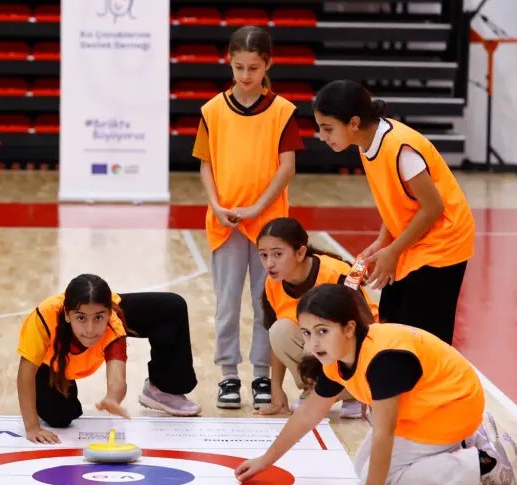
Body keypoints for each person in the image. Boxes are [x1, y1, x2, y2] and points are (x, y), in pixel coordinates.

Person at [235, 284, 517, 485]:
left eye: (322, 331)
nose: (313, 343)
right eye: (308, 333)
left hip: (451, 407)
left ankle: (488, 463)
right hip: (432, 405)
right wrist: (266, 459)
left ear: (348, 328)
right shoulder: (337, 357)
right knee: (363, 469)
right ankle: (473, 436)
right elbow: (308, 414)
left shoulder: (382, 360)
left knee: (384, 483)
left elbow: (384, 432)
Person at [192, 25, 305, 410]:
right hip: (224, 223)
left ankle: (261, 374)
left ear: (267, 65)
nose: (245, 76)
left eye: (253, 68)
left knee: (265, 304)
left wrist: (258, 208)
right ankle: (227, 375)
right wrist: (217, 205)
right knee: (226, 304)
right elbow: (205, 165)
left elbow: (286, 167)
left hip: (269, 226)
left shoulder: (283, 111)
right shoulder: (212, 110)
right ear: (229, 61)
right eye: (238, 67)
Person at [312, 80, 475, 346]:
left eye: (327, 128)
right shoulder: (366, 143)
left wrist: (393, 250)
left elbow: (433, 207)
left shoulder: (401, 148)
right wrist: (382, 241)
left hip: (443, 242)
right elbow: (400, 201)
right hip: (413, 239)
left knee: (424, 338)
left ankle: (433, 385)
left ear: (353, 123)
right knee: (391, 322)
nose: (322, 136)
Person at [16, 274, 201, 444]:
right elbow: (26, 373)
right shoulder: (43, 318)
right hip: (49, 366)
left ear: (109, 313)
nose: (90, 329)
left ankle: (163, 390)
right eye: (81, 318)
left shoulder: (113, 325)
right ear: (67, 314)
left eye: (98, 318)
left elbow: (118, 378)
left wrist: (112, 399)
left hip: (103, 311)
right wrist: (32, 427)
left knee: (171, 307)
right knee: (61, 417)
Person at [256, 217, 378, 417]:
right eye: (263, 255)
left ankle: (353, 393)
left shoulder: (337, 274)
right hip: (319, 351)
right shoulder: (272, 284)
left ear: (300, 252)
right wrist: (276, 389)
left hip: (356, 352)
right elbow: (275, 342)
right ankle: (315, 389)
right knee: (279, 330)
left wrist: (368, 383)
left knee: (319, 331)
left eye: (278, 254)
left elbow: (367, 329)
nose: (270, 263)